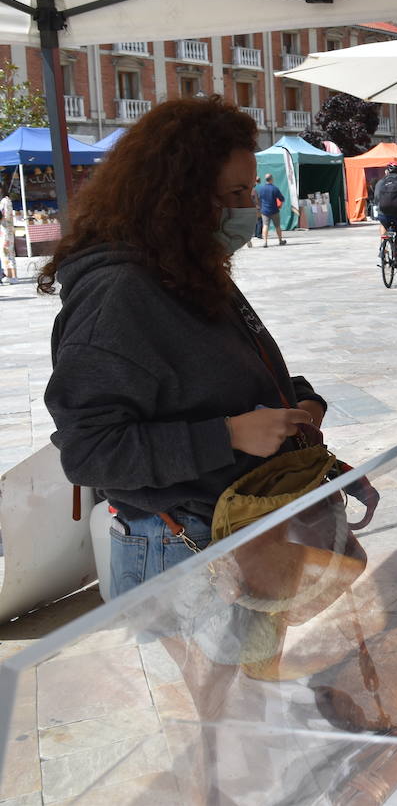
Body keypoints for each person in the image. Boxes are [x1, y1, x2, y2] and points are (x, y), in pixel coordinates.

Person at [40, 97, 326, 595]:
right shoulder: (119, 294)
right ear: (178, 196)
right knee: (222, 676)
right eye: (235, 192)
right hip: (184, 546)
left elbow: (216, 374)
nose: (247, 208)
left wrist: (296, 400)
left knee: (255, 672)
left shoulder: (186, 266)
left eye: (250, 189)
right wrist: (229, 435)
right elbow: (89, 452)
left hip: (240, 527)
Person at [254, 172, 286, 247]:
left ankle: (265, 242)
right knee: (277, 226)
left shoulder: (261, 189)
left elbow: (258, 199)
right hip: (274, 210)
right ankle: (280, 240)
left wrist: (260, 206)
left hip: (264, 211)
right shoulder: (274, 188)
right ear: (271, 179)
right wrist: (280, 205)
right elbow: (282, 199)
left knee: (265, 225)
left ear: (265, 180)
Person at [0, 190, 16, 284]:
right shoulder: (5, 201)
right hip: (5, 230)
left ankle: (12, 276)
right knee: (8, 254)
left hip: (6, 230)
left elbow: (6, 217)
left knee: (7, 253)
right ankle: (11, 276)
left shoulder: (5, 201)